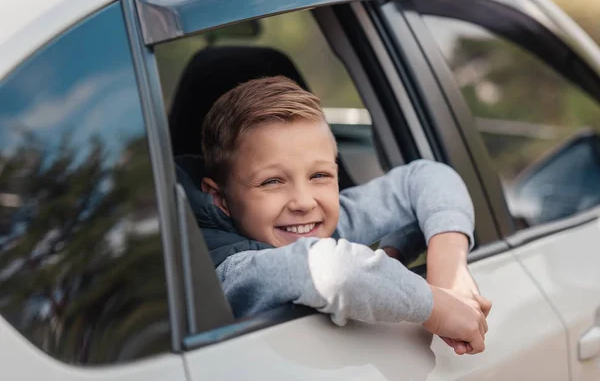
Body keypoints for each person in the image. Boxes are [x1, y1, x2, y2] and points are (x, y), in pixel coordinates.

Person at [180, 76, 491, 355]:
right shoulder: (229, 271)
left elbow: (426, 177)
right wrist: (434, 306)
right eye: (272, 181)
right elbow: (332, 270)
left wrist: (449, 271)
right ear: (220, 198)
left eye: (319, 175)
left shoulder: (317, 223)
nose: (303, 201)